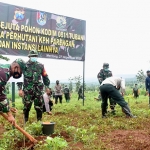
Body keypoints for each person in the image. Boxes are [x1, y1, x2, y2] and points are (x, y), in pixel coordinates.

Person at [17, 50, 50, 122]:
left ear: (37, 57)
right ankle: (25, 122)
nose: (34, 57)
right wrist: (20, 89)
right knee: (26, 106)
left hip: (38, 90)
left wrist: (47, 87)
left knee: (39, 106)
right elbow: (19, 77)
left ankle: (39, 122)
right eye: (32, 56)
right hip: (28, 90)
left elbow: (45, 76)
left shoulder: (41, 66)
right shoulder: (24, 65)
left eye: (35, 56)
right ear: (29, 57)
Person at [0, 58, 26, 124]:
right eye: (21, 71)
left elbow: (2, 92)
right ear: (16, 67)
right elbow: (1, 95)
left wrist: (8, 107)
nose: (20, 73)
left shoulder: (6, 69)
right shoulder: (3, 73)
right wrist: (9, 114)